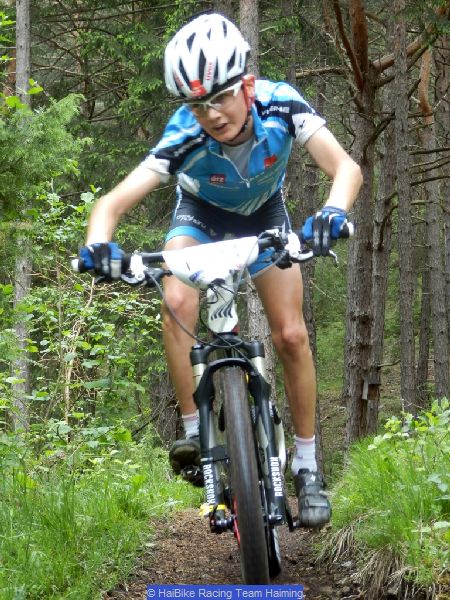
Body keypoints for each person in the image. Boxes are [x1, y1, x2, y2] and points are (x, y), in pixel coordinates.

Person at [80, 13, 362, 528]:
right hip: (201, 219)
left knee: (291, 334)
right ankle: (194, 433)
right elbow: (111, 203)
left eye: (221, 97)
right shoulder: (184, 133)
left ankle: (306, 465)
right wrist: (98, 246)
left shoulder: (281, 104)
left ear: (247, 85)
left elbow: (345, 167)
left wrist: (333, 212)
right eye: (197, 105)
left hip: (264, 218)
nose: (210, 114)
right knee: (176, 299)